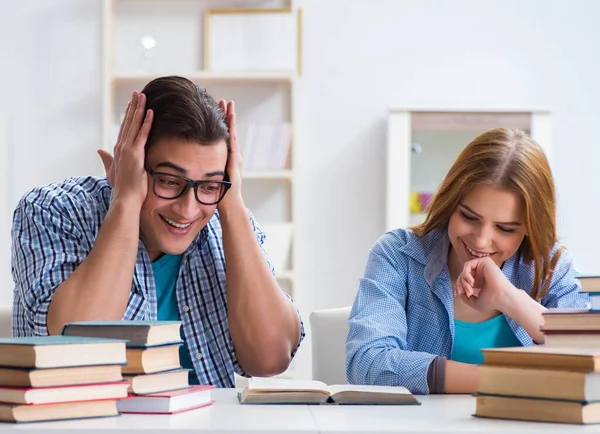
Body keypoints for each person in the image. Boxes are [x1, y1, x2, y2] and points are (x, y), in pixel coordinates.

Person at [11, 76, 304, 387]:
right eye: (168, 181)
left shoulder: (225, 218)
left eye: (209, 184)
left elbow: (270, 359)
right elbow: (76, 349)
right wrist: (125, 200)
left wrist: (232, 205)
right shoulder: (53, 210)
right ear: (130, 163)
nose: (188, 210)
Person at [346, 128, 589, 395]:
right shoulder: (398, 255)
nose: (482, 241)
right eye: (469, 217)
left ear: (530, 227)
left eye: (505, 229)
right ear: (451, 202)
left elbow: (589, 360)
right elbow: (366, 362)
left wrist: (511, 299)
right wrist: (501, 381)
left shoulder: (551, 267)